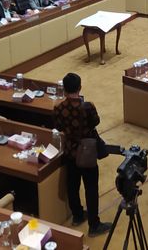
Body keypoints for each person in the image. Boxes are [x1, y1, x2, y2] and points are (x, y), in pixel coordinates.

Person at [53, 73, 111, 236]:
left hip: (70, 150)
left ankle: (77, 215)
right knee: (91, 188)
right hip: (87, 151)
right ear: (80, 87)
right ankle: (94, 225)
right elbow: (96, 122)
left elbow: (58, 126)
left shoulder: (59, 108)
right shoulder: (87, 107)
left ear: (64, 89)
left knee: (73, 184)